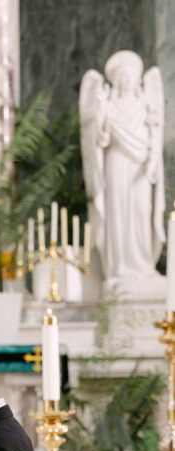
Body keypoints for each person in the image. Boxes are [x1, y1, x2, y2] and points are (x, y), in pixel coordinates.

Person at [79, 50, 165, 289]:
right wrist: (99, 112)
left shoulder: (145, 104)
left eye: (131, 75)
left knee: (140, 212)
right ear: (116, 80)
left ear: (138, 79)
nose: (127, 80)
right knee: (118, 214)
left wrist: (152, 161)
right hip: (116, 163)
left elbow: (153, 137)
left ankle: (143, 265)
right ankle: (120, 267)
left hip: (139, 167)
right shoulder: (109, 105)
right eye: (122, 76)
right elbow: (101, 140)